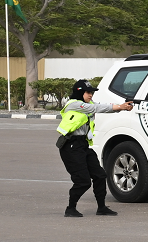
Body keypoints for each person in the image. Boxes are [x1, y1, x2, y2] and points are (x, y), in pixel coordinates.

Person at [57, 80, 133, 218]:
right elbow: (95, 109)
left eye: (92, 92)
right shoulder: (74, 104)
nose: (91, 95)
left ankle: (102, 207)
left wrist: (121, 106)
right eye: (88, 92)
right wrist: (120, 107)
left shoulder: (88, 104)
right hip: (71, 146)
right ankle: (70, 208)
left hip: (83, 145)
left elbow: (102, 106)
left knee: (100, 175)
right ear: (80, 92)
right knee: (83, 181)